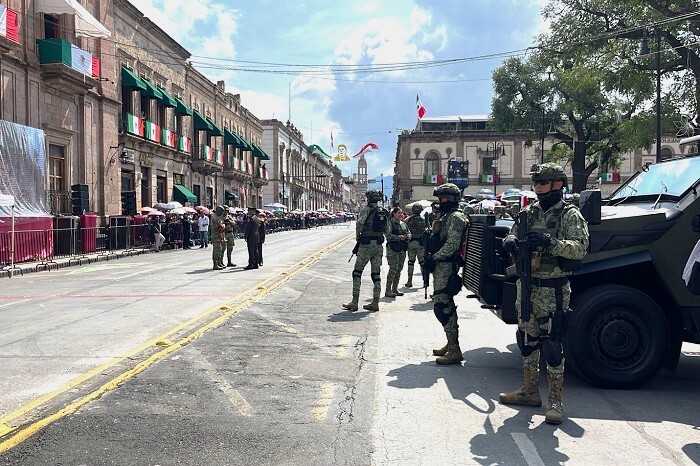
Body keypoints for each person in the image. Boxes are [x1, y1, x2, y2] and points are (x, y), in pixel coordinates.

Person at [499, 163, 589, 425]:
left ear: (558, 184)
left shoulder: (569, 215)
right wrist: (510, 240)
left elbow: (580, 248)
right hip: (526, 286)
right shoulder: (528, 213)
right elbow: (513, 233)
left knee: (552, 345)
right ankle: (529, 391)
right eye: (536, 183)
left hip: (554, 289)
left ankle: (555, 401)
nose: (538, 188)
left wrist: (552, 243)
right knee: (527, 340)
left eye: (543, 183)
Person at [424, 183, 469, 365]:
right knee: (443, 305)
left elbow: (452, 244)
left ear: (450, 199)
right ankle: (451, 344)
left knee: (443, 306)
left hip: (446, 265)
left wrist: (435, 258)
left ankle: (455, 350)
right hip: (440, 266)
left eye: (442, 199)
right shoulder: (446, 217)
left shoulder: (456, 218)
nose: (440, 202)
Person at [342, 190, 390, 312]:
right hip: (378, 245)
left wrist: (358, 236)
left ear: (368, 198)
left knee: (357, 272)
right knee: (376, 275)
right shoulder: (383, 212)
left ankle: (355, 301)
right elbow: (388, 230)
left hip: (366, 245)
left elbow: (360, 223)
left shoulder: (366, 209)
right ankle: (375, 302)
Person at [385, 207, 410, 297]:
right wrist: (398, 237)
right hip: (393, 249)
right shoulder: (390, 223)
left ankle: (394, 289)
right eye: (399, 213)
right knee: (393, 269)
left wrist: (408, 236)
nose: (401, 214)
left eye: (401, 213)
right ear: (394, 214)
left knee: (399, 269)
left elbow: (408, 232)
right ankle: (388, 290)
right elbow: (388, 235)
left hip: (402, 249)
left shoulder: (403, 223)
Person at [405, 203, 426, 288]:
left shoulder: (408, 219)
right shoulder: (423, 220)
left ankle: (409, 281)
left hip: (411, 243)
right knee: (422, 263)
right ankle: (425, 281)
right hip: (421, 244)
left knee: (411, 262)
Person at [210, 206, 227, 270]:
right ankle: (215, 264)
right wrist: (222, 226)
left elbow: (222, 225)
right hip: (215, 236)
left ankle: (219, 262)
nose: (222, 213)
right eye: (221, 212)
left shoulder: (219, 217)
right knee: (216, 250)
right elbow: (218, 226)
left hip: (220, 235)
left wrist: (223, 226)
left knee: (220, 250)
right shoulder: (214, 217)